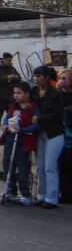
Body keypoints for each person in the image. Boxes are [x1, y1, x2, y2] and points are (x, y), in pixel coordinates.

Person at [30, 65, 65, 209]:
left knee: (50, 166)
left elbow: (58, 114)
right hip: (40, 132)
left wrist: (40, 119)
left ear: (46, 77)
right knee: (40, 166)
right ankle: (41, 195)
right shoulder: (34, 92)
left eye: (39, 76)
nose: (37, 79)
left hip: (53, 133)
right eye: (35, 76)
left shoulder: (55, 94)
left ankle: (52, 197)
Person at [0, 82, 40, 206]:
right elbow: (7, 117)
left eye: (19, 93)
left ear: (27, 94)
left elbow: (37, 125)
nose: (16, 96)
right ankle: (11, 190)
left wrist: (23, 130)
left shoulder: (33, 107)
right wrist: (5, 124)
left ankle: (25, 193)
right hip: (10, 140)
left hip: (23, 142)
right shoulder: (13, 106)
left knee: (23, 168)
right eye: (15, 93)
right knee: (7, 165)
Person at [0, 52, 21, 140]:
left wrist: (16, 78)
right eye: (8, 60)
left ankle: (11, 133)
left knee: (12, 116)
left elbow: (19, 78)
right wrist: (6, 78)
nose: (9, 62)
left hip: (10, 98)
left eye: (10, 60)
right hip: (0, 97)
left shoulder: (12, 68)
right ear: (3, 60)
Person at [56, 69, 72, 203]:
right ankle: (65, 193)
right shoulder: (59, 95)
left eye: (64, 78)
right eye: (60, 78)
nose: (61, 81)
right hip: (62, 133)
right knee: (63, 165)